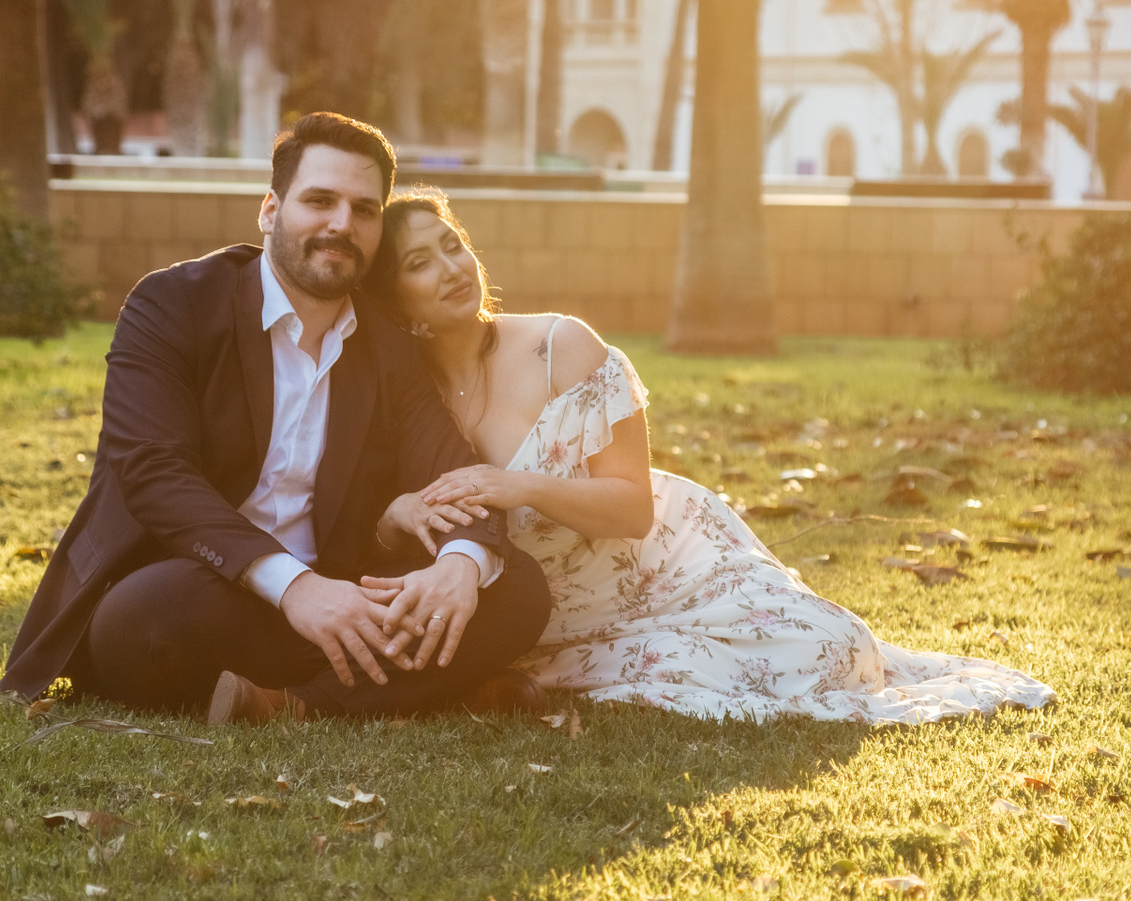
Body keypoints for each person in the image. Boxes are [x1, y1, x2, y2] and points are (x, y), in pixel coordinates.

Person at [366, 187, 1056, 724]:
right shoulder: (407, 401)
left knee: (835, 649)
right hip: (550, 618)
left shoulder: (561, 347)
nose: (451, 268)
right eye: (420, 263)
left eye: (453, 245)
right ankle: (519, 673)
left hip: (667, 566)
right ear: (397, 303)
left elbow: (632, 510)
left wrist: (517, 485)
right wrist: (396, 516)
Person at [0, 116, 552, 724]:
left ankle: (293, 704)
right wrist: (296, 589)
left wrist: (458, 566)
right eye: (320, 201)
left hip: (345, 591)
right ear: (269, 210)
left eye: (364, 210)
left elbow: (453, 472)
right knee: (146, 620)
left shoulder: (387, 343)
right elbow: (153, 472)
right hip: (205, 583)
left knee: (517, 590)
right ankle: (430, 686)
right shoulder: (172, 303)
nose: (342, 224)